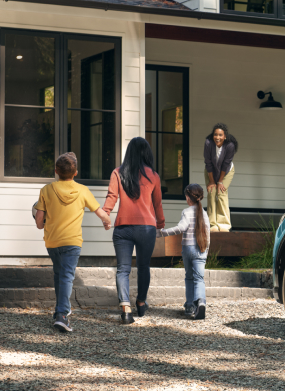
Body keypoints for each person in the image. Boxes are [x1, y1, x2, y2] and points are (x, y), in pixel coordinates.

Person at [33, 152, 111, 332]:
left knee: (59, 274)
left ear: (56, 171)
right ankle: (62, 314)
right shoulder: (83, 190)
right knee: (67, 275)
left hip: (52, 241)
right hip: (72, 241)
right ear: (75, 173)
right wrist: (107, 221)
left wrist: (40, 223)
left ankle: (59, 311)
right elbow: (99, 211)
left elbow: (39, 221)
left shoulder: (46, 190)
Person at [103, 138, 165, 325]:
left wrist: (106, 214)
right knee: (144, 266)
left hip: (122, 227)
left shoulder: (118, 172)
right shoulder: (153, 175)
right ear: (146, 153)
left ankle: (125, 308)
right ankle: (141, 301)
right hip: (146, 228)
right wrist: (160, 223)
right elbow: (157, 203)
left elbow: (112, 196)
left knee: (123, 269)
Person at [156, 184, 211, 320]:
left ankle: (189, 306)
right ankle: (201, 302)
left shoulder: (186, 212)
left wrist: (163, 233)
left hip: (188, 248)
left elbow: (181, 228)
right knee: (199, 278)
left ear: (188, 197)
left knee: (189, 277)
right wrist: (206, 250)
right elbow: (208, 233)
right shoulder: (204, 213)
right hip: (201, 249)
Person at [203, 123, 237, 232]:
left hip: (226, 172)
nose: (217, 137)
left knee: (221, 192)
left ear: (225, 136)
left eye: (220, 135)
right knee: (212, 191)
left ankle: (224, 225)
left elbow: (225, 164)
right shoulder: (208, 143)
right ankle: (212, 224)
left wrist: (220, 181)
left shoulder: (230, 145)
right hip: (211, 171)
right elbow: (208, 163)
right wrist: (212, 181)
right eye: (215, 135)